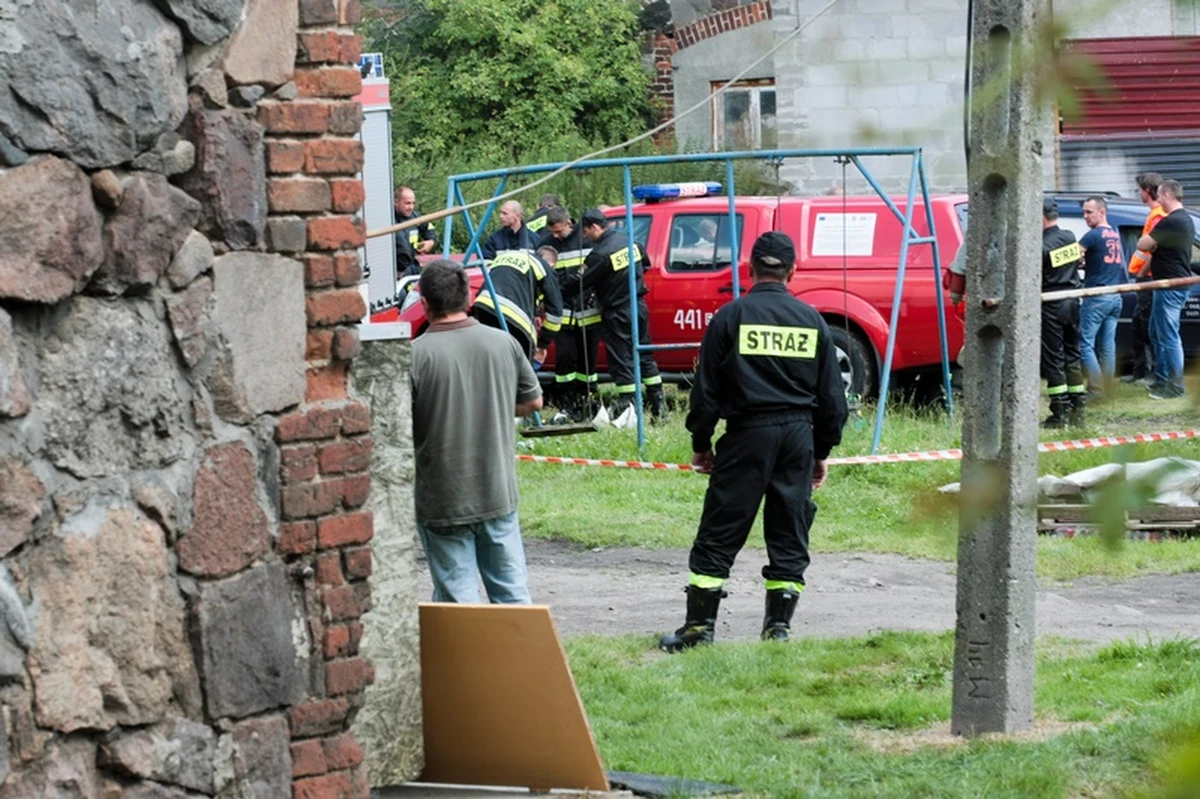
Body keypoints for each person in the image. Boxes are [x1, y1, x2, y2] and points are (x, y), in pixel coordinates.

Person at [660, 232, 848, 652]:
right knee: (789, 530)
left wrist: (702, 441)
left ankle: (698, 629)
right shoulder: (812, 320)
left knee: (721, 528)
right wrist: (820, 451)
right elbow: (833, 400)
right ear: (792, 271)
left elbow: (705, 391)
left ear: (749, 269)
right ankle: (777, 631)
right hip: (798, 436)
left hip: (747, 434)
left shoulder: (730, 316)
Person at [411, 260, 543, 603]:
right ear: (468, 297)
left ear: (424, 303)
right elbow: (533, 402)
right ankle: (520, 657)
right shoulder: (504, 343)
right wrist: (494, 405)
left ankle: (464, 658)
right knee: (512, 593)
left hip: (443, 499)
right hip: (496, 491)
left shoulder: (413, 356)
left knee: (458, 600)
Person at [562, 208, 667, 420]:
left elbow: (580, 282)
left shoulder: (601, 253)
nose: (585, 237)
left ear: (594, 227)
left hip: (617, 311)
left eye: (586, 232)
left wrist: (558, 289)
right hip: (638, 305)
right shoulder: (631, 243)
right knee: (645, 355)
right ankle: (659, 406)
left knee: (622, 358)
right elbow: (644, 264)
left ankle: (627, 407)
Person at [541, 206, 600, 421]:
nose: (555, 236)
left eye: (559, 231)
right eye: (553, 232)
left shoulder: (586, 239)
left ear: (569, 223)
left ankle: (587, 402)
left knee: (588, 362)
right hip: (563, 312)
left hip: (589, 310)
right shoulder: (546, 243)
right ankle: (566, 403)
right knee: (564, 360)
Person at [1137, 179, 1194, 399]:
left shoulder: (1172, 221)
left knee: (1169, 336)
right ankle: (1161, 379)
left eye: (1160, 195)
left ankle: (1175, 387)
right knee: (1156, 332)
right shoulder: (1182, 219)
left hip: (1170, 285)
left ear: (1168, 195)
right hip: (1168, 284)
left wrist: (1151, 240)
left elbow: (1143, 244)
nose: (1158, 200)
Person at [1041, 198, 1087, 428]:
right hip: (1072, 301)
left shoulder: (1039, 246)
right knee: (1072, 355)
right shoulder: (1069, 237)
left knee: (1054, 358)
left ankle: (1060, 413)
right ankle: (1079, 408)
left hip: (1051, 303)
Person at [470, 247, 563, 360]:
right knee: (518, 363)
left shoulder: (506, 257)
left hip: (483, 308)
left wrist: (535, 313)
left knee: (488, 359)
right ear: (551, 264)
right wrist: (542, 345)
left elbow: (517, 284)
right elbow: (555, 313)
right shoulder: (544, 267)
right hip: (513, 317)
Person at [1077, 196, 1126, 397]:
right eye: (1084, 212)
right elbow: (1104, 263)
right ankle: (1108, 388)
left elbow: (1068, 256)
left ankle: (1096, 390)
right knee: (1107, 346)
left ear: (1102, 212)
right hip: (1115, 296)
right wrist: (1086, 264)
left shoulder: (1093, 236)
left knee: (1084, 344)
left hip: (1097, 297)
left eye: (1089, 212)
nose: (1085, 216)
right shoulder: (1114, 234)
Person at [1124, 172, 1166, 385]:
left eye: (1139, 189)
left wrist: (1141, 273)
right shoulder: (1154, 214)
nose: (1137, 193)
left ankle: (1152, 374)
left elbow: (1155, 249)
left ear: (1147, 190)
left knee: (1149, 328)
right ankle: (1141, 371)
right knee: (1138, 325)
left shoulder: (1158, 215)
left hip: (1148, 278)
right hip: (1144, 278)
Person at [394, 186, 436, 279]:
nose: (411, 207)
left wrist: (431, 241)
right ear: (396, 202)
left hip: (412, 268)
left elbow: (428, 227)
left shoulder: (415, 217)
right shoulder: (389, 220)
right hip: (394, 272)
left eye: (413, 203)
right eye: (407, 203)